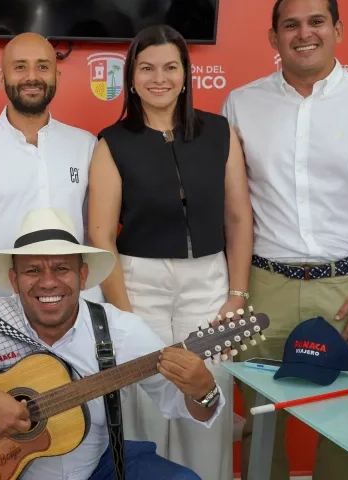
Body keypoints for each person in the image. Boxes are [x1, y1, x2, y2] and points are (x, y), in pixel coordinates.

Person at [0, 207, 227, 480]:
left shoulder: (118, 329)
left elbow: (184, 406)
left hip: (96, 469)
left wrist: (203, 390)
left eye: (62, 268)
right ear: (14, 280)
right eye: (33, 271)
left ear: (83, 276)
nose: (48, 283)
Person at [220, 0, 348, 479]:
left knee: (346, 423)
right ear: (273, 38)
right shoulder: (241, 105)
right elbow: (232, 210)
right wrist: (237, 291)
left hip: (345, 292)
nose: (303, 33)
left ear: (338, 30)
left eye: (316, 22)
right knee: (261, 422)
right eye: (290, 25)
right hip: (263, 288)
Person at [88, 24, 252, 480]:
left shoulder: (220, 133)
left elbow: (238, 219)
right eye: (146, 68)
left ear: (185, 74)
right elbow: (101, 239)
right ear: (131, 76)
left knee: (209, 397)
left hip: (210, 284)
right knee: (145, 404)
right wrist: (124, 316)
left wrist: (237, 294)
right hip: (139, 286)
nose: (158, 78)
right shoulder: (112, 142)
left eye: (170, 67)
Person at [0, 32, 105, 317]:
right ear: (2, 78)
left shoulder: (86, 145)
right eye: (20, 67)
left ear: (57, 76)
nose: (32, 76)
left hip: (74, 308)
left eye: (42, 66)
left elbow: (96, 232)